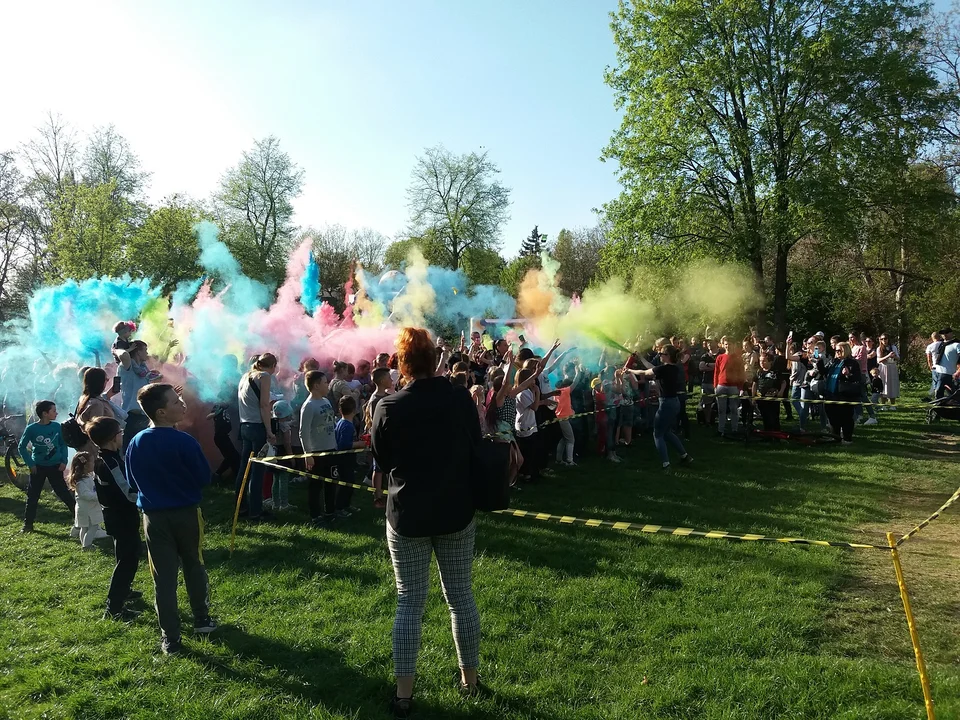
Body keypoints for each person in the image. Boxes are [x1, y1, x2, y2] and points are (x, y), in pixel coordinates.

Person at [370, 327, 484, 717]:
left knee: (409, 602)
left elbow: (383, 460)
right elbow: (475, 443)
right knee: (461, 598)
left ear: (402, 364)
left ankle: (404, 695)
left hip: (408, 514)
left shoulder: (389, 406)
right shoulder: (459, 398)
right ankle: (470, 682)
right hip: (455, 510)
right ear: (435, 360)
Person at [126, 383, 216, 655]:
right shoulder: (185, 442)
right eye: (176, 402)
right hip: (187, 514)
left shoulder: (136, 442)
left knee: (163, 577)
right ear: (161, 412)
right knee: (194, 564)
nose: (182, 404)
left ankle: (171, 638)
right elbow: (204, 478)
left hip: (153, 517)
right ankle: (201, 619)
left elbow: (132, 482)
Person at [87, 416, 142, 621]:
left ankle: (124, 590)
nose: (122, 435)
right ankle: (114, 608)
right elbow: (127, 493)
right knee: (128, 560)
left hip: (116, 515)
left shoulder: (104, 458)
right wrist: (147, 497)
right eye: (120, 432)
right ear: (112, 438)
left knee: (126, 555)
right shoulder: (110, 463)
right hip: (122, 516)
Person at [627, 346, 692, 470]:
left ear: (668, 356)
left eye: (661, 353)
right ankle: (685, 456)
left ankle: (666, 464)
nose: (659, 355)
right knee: (666, 432)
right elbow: (651, 367)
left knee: (657, 434)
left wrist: (630, 370)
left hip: (666, 404)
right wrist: (640, 357)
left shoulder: (663, 369)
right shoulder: (674, 367)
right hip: (675, 402)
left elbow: (645, 373)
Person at [235, 353, 279, 522]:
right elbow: (264, 405)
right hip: (257, 427)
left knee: (243, 469)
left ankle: (241, 508)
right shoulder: (264, 376)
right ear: (273, 365)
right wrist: (269, 430)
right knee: (257, 471)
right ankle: (256, 511)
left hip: (244, 425)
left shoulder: (245, 376)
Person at [18, 400, 74, 533]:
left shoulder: (57, 426)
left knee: (64, 493)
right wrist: (31, 464)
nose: (56, 413)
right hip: (38, 467)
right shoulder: (31, 429)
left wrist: (64, 461)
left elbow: (63, 444)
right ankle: (28, 525)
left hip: (55, 466)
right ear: (45, 414)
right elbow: (22, 447)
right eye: (53, 411)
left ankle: (80, 518)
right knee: (33, 496)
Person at [299, 370, 338, 526]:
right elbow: (303, 432)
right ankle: (315, 515)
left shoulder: (326, 401)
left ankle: (330, 512)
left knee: (331, 482)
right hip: (316, 452)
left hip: (331, 448)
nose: (327, 385)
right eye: (325, 382)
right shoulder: (308, 406)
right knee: (315, 485)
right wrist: (308, 454)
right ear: (316, 385)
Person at [117, 341, 154, 450]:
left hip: (144, 416)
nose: (147, 353)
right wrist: (116, 350)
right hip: (132, 418)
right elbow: (124, 355)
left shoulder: (143, 369)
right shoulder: (127, 366)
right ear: (138, 352)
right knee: (131, 451)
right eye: (145, 350)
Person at [823, 342, 861, 444]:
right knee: (832, 417)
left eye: (839, 350)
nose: (837, 352)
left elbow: (857, 378)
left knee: (846, 418)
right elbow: (824, 372)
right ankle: (835, 437)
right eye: (836, 350)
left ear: (846, 350)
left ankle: (847, 439)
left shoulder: (852, 363)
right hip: (830, 394)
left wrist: (848, 374)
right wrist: (818, 362)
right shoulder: (833, 362)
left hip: (844, 395)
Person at [334, 396, 366, 517]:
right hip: (345, 459)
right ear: (354, 410)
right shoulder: (347, 426)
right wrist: (359, 444)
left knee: (350, 482)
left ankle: (346, 504)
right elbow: (343, 444)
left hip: (346, 458)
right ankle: (340, 507)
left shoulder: (341, 423)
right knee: (346, 483)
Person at [366, 367, 393, 509]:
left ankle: (387, 493)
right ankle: (377, 497)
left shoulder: (386, 397)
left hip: (388, 437)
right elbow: (376, 421)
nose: (391, 380)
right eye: (389, 378)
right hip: (380, 438)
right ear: (382, 381)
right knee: (378, 469)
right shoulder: (376, 400)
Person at [67, 451, 105, 549]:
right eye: (92, 462)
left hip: (85, 508)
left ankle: (84, 544)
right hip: (88, 509)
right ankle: (87, 545)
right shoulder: (82, 482)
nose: (94, 464)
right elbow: (85, 495)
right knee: (93, 527)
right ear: (85, 465)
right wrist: (98, 495)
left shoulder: (88, 478)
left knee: (84, 527)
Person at [713, 336, 745, 436]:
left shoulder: (738, 358)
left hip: (733, 386)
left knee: (734, 409)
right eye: (726, 344)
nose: (728, 346)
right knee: (721, 410)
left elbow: (741, 374)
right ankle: (721, 429)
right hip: (721, 385)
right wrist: (715, 385)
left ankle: (734, 429)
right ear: (723, 345)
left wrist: (740, 387)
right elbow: (716, 372)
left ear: (734, 345)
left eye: (730, 344)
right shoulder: (720, 357)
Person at [267, 400, 295, 512]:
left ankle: (275, 503)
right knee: (283, 479)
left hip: (273, 453)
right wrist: (291, 456)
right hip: (283, 453)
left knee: (275, 479)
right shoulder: (285, 427)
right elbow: (287, 443)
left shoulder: (271, 425)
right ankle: (284, 504)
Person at [753, 353, 786, 431]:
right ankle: (767, 432)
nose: (761, 363)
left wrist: (781, 392)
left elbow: (783, 382)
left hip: (773, 399)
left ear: (770, 361)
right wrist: (753, 397)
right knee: (765, 417)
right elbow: (754, 384)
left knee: (774, 417)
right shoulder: (759, 372)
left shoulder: (775, 372)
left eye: (764, 361)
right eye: (760, 361)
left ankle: (776, 433)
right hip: (761, 398)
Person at [876, 334, 900, 408]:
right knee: (883, 385)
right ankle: (883, 405)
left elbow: (898, 358)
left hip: (892, 367)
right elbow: (878, 360)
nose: (884, 340)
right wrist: (888, 356)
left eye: (885, 339)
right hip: (883, 368)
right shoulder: (879, 348)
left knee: (892, 385)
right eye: (882, 339)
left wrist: (894, 356)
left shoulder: (893, 347)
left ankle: (893, 405)